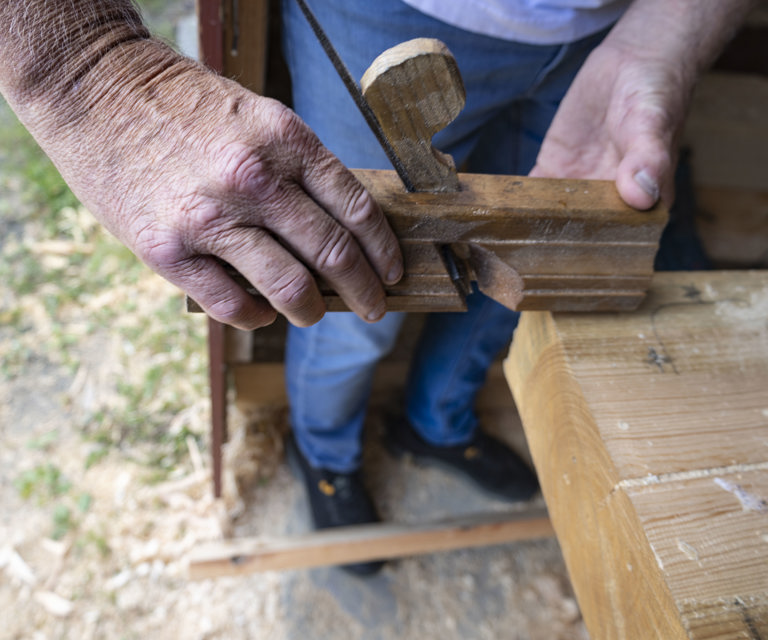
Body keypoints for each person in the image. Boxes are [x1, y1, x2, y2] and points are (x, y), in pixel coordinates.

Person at [0, 0, 755, 576]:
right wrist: (83, 68)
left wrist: (670, 28)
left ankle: (436, 422)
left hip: (611, 27)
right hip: (384, 20)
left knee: (521, 267)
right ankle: (325, 455)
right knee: (349, 285)